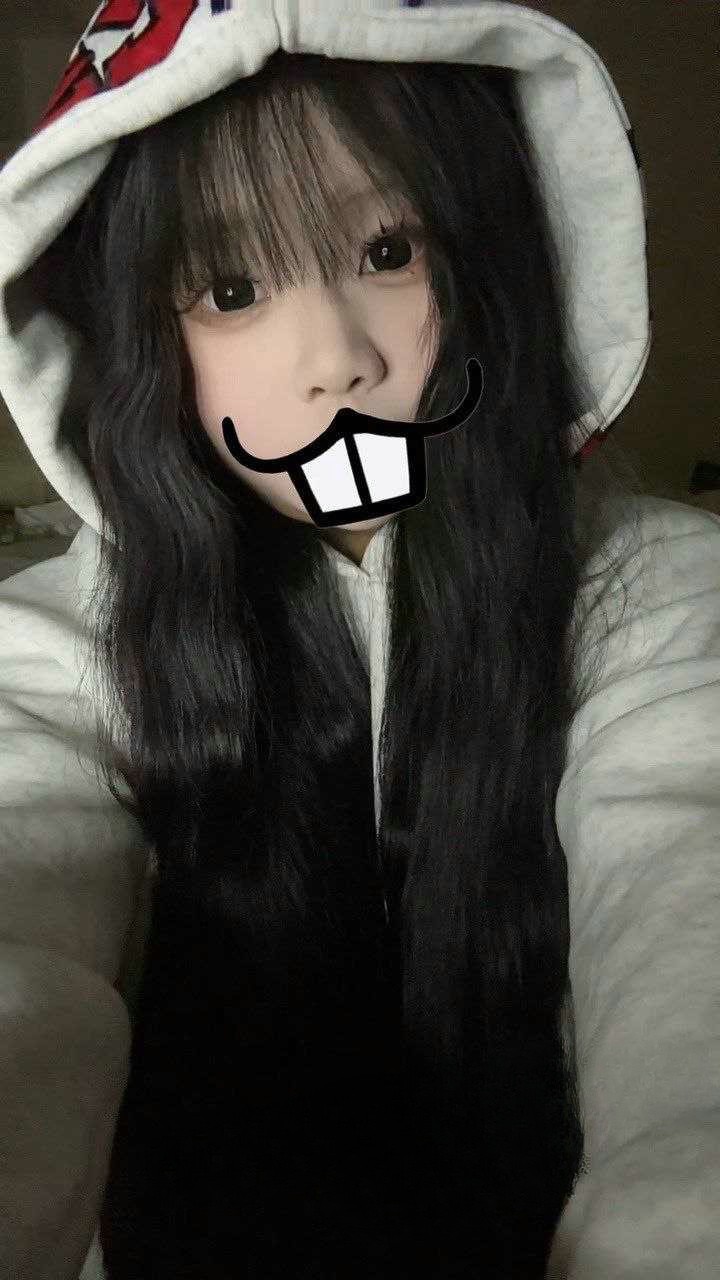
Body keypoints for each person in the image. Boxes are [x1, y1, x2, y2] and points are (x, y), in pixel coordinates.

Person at [0, 3, 717, 1279]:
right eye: (231, 288)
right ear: (132, 337)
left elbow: (689, 851)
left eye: (390, 249)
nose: (333, 358)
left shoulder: (656, 588)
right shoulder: (62, 643)